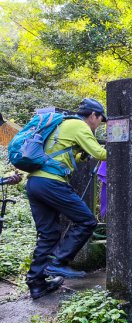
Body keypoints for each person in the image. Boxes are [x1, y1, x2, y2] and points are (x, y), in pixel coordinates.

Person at [25, 98, 107, 299]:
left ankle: (36, 284)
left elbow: (63, 154)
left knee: (48, 234)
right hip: (52, 183)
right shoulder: (80, 125)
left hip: (35, 182)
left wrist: (80, 156)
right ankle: (57, 263)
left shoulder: (62, 124)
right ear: (93, 115)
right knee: (87, 221)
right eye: (100, 120)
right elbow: (100, 152)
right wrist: (124, 145)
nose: (99, 124)